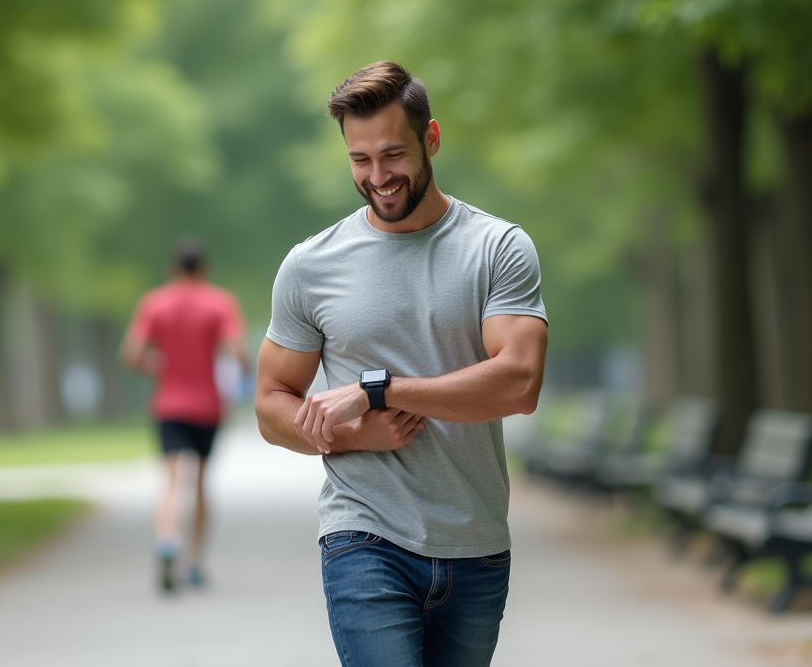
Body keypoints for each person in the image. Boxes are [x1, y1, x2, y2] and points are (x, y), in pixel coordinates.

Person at [255, 61, 548, 667]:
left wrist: (381, 390)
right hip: (364, 536)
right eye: (360, 160)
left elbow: (520, 382)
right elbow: (269, 403)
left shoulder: (497, 248)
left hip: (474, 542)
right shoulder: (311, 266)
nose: (378, 176)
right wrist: (353, 436)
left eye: (393, 155)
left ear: (430, 139)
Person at [121, 240, 249, 592]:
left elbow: (131, 355)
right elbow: (239, 354)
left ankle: (167, 541)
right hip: (207, 406)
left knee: (171, 481)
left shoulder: (155, 303)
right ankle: (195, 563)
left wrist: (159, 366)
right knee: (202, 484)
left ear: (173, 268)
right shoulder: (220, 303)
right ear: (204, 269)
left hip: (169, 405)